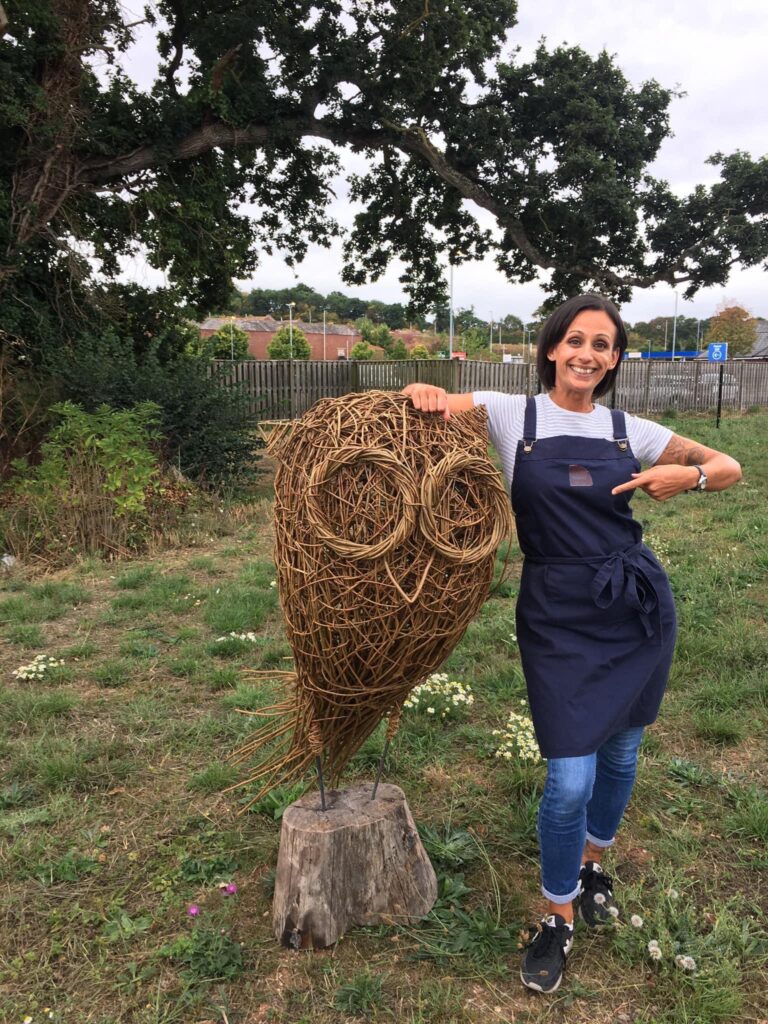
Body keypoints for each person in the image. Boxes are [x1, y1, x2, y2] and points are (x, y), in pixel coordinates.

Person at [402, 294, 741, 994]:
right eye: (576, 340)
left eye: (604, 344)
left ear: (615, 359)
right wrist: (424, 387)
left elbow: (730, 464)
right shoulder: (507, 413)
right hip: (557, 614)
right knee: (569, 779)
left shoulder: (629, 430)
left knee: (622, 752)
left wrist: (696, 473)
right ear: (553, 348)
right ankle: (558, 915)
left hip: (634, 605)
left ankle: (590, 867)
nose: (587, 353)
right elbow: (425, 401)